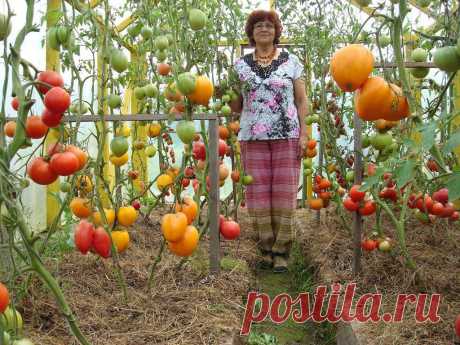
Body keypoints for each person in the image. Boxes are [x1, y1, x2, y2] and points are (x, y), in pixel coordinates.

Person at [230, 10, 309, 272]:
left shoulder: (291, 62)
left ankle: (282, 251)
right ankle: (265, 248)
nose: (264, 29)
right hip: (252, 136)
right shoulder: (239, 66)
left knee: (284, 194)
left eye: (269, 25)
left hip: (287, 134)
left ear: (276, 32)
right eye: (258, 26)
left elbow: (301, 100)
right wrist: (225, 91)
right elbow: (236, 106)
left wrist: (304, 134)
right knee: (258, 193)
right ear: (251, 33)